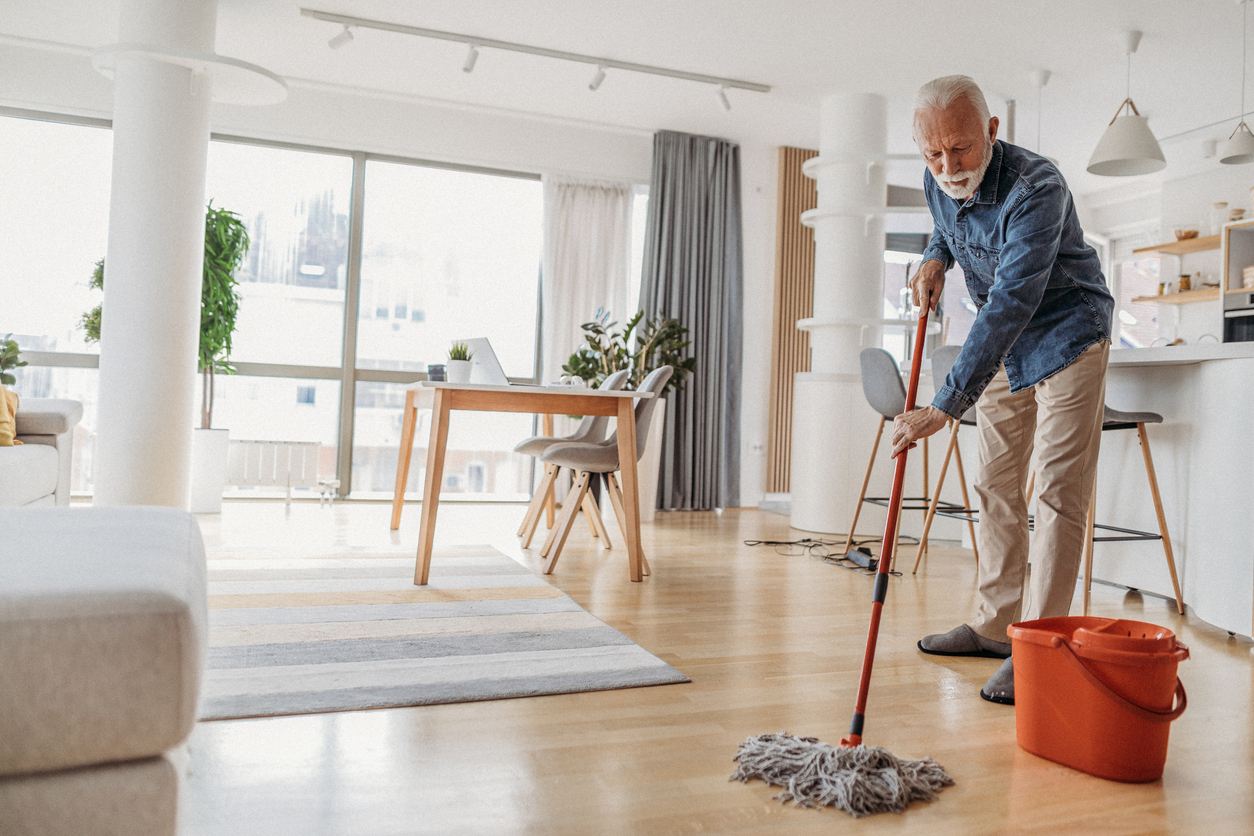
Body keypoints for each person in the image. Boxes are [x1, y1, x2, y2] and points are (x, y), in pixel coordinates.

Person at [890, 75, 1114, 704]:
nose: (946, 166)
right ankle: (994, 626)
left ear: (991, 131)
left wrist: (945, 404)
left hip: (1068, 331)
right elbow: (950, 224)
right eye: (932, 154)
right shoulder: (937, 177)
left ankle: (1040, 649)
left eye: (959, 150)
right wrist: (935, 255)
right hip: (1007, 341)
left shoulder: (1035, 187)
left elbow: (1013, 299)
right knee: (993, 481)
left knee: (1057, 490)